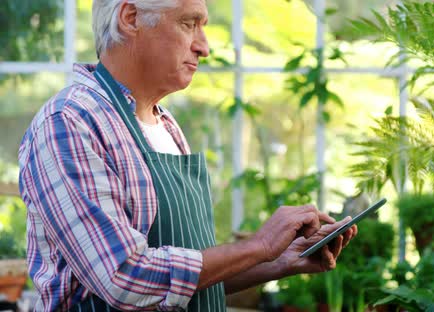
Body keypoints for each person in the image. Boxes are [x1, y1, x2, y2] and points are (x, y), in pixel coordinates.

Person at [17, 0, 358, 311]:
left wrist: (279, 261)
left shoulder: (166, 126)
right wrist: (259, 245)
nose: (204, 47)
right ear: (130, 18)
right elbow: (123, 277)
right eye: (188, 23)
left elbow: (185, 280)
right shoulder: (70, 123)